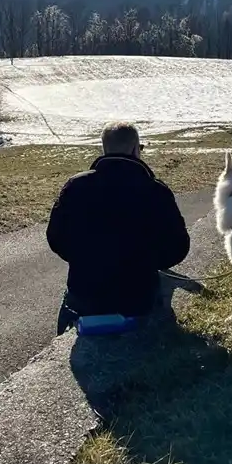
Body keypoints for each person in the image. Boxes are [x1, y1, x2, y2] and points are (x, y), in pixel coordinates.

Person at [47, 122, 190, 334]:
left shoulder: (76, 187)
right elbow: (178, 246)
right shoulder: (155, 191)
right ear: (135, 148)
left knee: (73, 301)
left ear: (104, 148)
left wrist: (84, 258)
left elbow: (55, 237)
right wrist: (150, 263)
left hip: (85, 292)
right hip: (138, 296)